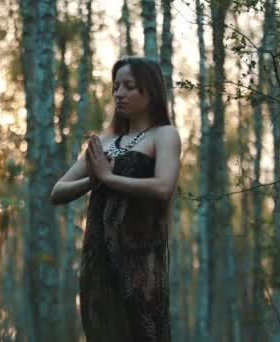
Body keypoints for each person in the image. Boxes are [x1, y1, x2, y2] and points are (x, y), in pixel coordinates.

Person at [50, 56, 181, 341]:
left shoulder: (164, 135)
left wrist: (108, 179)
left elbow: (163, 187)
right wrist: (93, 180)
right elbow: (57, 192)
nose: (119, 93)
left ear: (151, 92)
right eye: (116, 86)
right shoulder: (105, 142)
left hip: (139, 260)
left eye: (129, 86)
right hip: (99, 260)